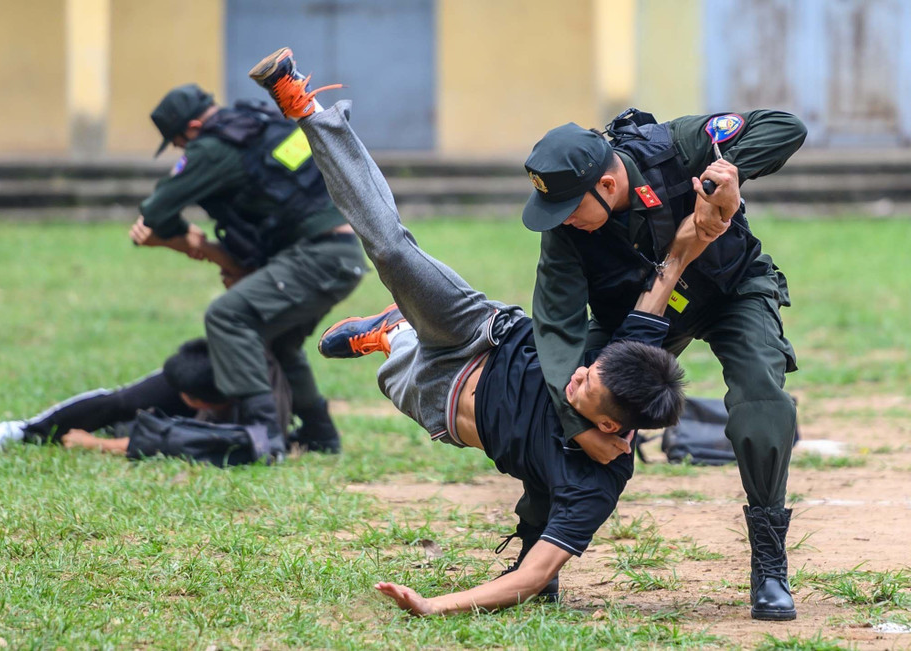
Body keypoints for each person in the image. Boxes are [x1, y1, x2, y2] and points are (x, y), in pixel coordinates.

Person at [246, 48, 728, 614]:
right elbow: (664, 280)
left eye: (584, 387)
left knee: (392, 367)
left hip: (440, 395)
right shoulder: (629, 365)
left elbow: (535, 575)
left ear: (609, 421)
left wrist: (434, 605)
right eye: (588, 368)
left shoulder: (596, 483)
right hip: (481, 330)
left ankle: (393, 332)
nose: (574, 373)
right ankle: (309, 110)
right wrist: (699, 234)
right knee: (392, 250)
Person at [522, 107, 807, 620]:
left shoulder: (676, 146)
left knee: (759, 398)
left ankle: (769, 564)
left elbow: (786, 127)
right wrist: (577, 421)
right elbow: (555, 330)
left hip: (731, 289)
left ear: (607, 185)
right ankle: (535, 552)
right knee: (564, 404)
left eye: (567, 206)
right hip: (640, 318)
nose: (560, 217)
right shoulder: (565, 232)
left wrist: (730, 172)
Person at [129, 83, 367, 460]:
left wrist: (180, 233)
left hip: (316, 256)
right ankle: (321, 435)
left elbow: (156, 211)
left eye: (176, 141)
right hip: (343, 253)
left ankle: (264, 436)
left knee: (226, 317)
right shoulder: (257, 125)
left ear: (192, 126)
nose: (179, 149)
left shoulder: (211, 147)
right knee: (282, 343)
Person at [0, 338, 287, 453]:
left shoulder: (255, 413)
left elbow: (185, 442)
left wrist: (101, 446)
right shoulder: (213, 370)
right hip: (209, 385)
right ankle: (23, 431)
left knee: (139, 427)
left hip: (207, 419)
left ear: (202, 402)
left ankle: (115, 431)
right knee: (121, 402)